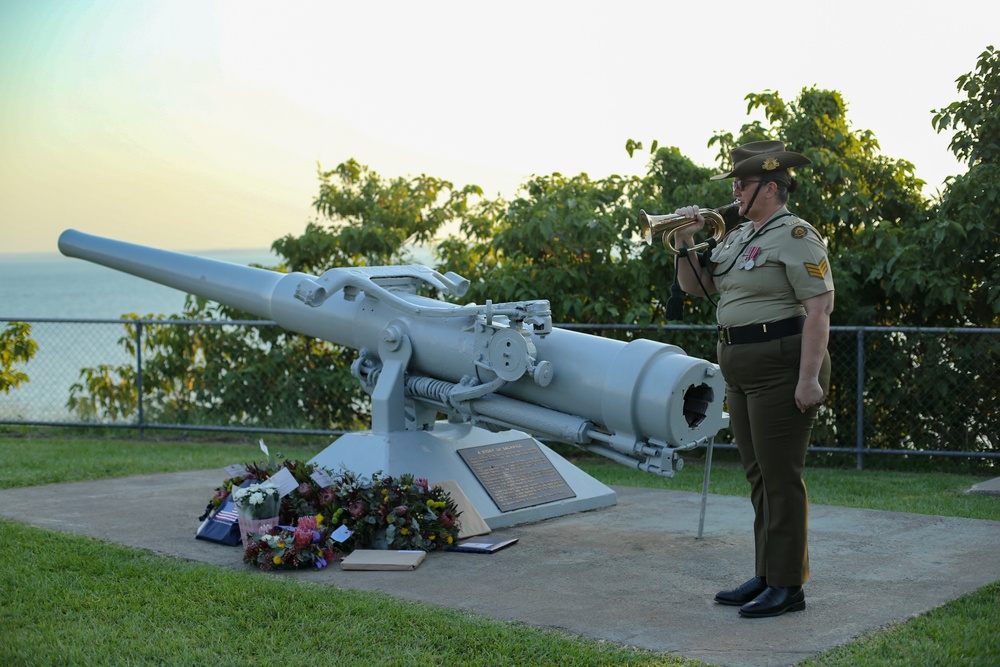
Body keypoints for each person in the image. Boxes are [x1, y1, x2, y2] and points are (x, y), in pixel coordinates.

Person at [672, 140, 834, 618]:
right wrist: (684, 239)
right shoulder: (740, 236)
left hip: (782, 365)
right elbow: (695, 285)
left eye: (741, 183)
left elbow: (820, 309)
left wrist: (808, 380)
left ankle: (788, 586)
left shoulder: (797, 234)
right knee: (759, 475)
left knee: (781, 477)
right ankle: (767, 574)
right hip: (741, 366)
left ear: (769, 186)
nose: (735, 191)